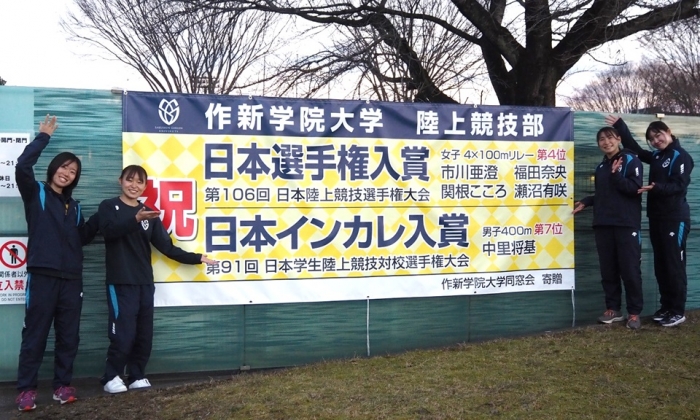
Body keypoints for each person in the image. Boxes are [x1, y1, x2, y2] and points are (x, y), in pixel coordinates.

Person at [98, 165, 216, 393]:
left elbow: (167, 247)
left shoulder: (149, 214)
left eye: (139, 182)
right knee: (123, 334)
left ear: (145, 186)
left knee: (144, 334)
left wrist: (196, 258)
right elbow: (109, 232)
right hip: (121, 281)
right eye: (130, 180)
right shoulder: (109, 206)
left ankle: (136, 375)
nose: (134, 185)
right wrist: (135, 219)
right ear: (120, 180)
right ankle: (111, 376)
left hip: (144, 282)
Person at [14, 115, 99, 411]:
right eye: (64, 167)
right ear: (54, 168)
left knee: (68, 336)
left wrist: (105, 215)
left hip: (71, 280)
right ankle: (26, 390)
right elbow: (22, 167)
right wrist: (43, 137)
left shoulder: (74, 207)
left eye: (73, 171)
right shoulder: (36, 192)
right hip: (42, 276)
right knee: (35, 334)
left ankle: (62, 386)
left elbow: (81, 238)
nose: (67, 173)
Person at [606, 115, 694, 327]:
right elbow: (635, 150)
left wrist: (657, 187)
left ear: (668, 132)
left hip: (675, 218)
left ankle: (677, 310)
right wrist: (620, 126)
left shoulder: (680, 156)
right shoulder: (656, 156)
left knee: (674, 265)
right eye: (652, 139)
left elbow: (679, 185)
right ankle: (666, 307)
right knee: (661, 265)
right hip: (657, 218)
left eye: (658, 135)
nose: (656, 140)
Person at [573, 126, 644, 329]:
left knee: (630, 270)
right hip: (603, 224)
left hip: (626, 224)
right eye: (602, 139)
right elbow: (605, 194)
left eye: (610, 138)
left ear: (619, 139)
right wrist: (587, 201)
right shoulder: (602, 166)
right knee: (608, 270)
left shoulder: (630, 160)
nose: (606, 142)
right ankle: (613, 309)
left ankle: (634, 313)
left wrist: (616, 175)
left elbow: (635, 189)